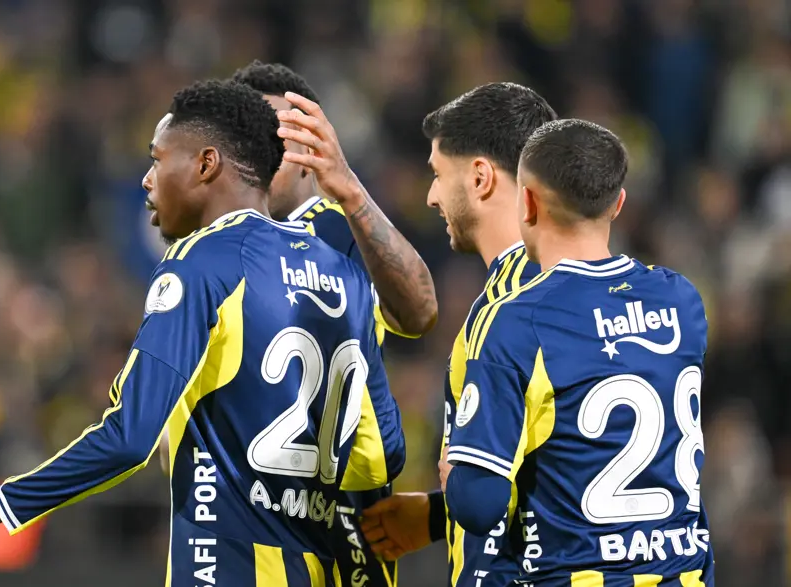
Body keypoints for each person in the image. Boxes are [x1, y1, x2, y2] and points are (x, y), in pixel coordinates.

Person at [0, 80, 405, 587]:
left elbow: (129, 439)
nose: (147, 180)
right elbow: (383, 455)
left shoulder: (201, 262)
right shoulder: (345, 271)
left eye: (157, 160)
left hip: (228, 568)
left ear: (206, 164)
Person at [439, 119, 712, 585]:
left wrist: (455, 470)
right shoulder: (682, 301)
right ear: (618, 204)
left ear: (526, 203)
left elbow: (479, 504)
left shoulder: (517, 322)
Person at [230, 60, 436, 587]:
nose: (256, 156)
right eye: (244, 141)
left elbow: (419, 310)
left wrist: (349, 189)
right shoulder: (219, 247)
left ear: (310, 151)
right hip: (249, 518)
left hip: (342, 516)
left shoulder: (340, 232)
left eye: (273, 140)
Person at [357, 82, 557, 587]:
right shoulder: (573, 292)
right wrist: (437, 515)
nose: (430, 196)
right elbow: (563, 467)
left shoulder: (513, 307)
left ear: (480, 178)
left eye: (438, 175)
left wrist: (462, 493)